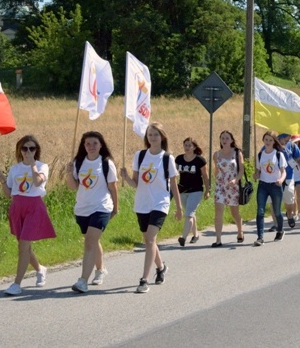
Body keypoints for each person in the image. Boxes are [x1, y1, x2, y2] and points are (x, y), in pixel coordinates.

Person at [121, 122, 182, 294]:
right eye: (150, 134)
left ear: (162, 137)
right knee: (150, 241)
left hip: (160, 203)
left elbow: (173, 185)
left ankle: (144, 280)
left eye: (156, 134)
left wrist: (178, 207)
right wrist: (125, 177)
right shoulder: (139, 156)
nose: (153, 137)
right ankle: (161, 267)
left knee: (149, 239)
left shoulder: (166, 158)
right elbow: (135, 183)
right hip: (142, 203)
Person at [0, 135, 56, 296]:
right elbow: (9, 194)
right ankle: (40, 269)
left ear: (36, 150)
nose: (28, 151)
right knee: (24, 246)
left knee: (23, 246)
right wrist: (3, 182)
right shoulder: (15, 169)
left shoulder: (42, 166)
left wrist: (33, 166)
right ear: (19, 150)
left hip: (34, 207)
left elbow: (37, 183)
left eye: (32, 148)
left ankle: (17, 284)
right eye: (25, 148)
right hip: (17, 206)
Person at [66, 131, 119, 294]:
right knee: (93, 242)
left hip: (101, 207)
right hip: (82, 208)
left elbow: (113, 187)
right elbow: (73, 186)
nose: (91, 147)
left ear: (101, 145)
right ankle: (100, 269)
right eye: (88, 143)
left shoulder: (106, 163)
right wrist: (69, 173)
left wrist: (116, 208)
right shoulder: (78, 162)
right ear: (83, 146)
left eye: (95, 143)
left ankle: (83, 281)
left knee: (89, 242)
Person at [211, 130, 245, 247]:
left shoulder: (237, 153)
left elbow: (241, 169)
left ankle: (240, 231)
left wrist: (236, 180)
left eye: (227, 138)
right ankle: (218, 239)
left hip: (233, 186)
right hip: (220, 185)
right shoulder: (216, 154)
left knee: (234, 212)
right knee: (218, 211)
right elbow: (216, 170)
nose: (224, 140)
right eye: (222, 138)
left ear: (231, 140)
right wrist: (218, 180)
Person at [253, 131, 287, 245]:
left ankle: (280, 230)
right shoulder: (260, 155)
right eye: (266, 139)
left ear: (274, 142)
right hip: (263, 185)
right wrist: (256, 175)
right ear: (263, 140)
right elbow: (258, 171)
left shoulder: (278, 155)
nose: (268, 142)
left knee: (277, 212)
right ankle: (260, 237)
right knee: (260, 211)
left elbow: (283, 171)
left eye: (270, 140)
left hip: (275, 186)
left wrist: (281, 180)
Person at [175, 137, 210, 247]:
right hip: (182, 190)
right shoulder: (179, 159)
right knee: (190, 212)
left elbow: (205, 176)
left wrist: (208, 190)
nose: (187, 147)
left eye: (190, 145)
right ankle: (195, 235)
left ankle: (183, 237)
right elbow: (174, 174)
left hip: (196, 190)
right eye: (185, 145)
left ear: (194, 147)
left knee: (188, 214)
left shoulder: (200, 160)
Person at [277, 132, 300, 228]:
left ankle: (289, 214)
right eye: (288, 137)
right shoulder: (273, 144)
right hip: (274, 178)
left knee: (289, 200)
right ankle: (276, 223)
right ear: (281, 136)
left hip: (288, 177)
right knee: (273, 200)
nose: (289, 138)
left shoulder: (292, 145)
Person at [291, 135, 300, 222]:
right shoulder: (288, 151)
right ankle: (294, 213)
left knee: (299, 194)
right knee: (292, 196)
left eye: (297, 142)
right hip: (291, 175)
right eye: (294, 142)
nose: (296, 143)